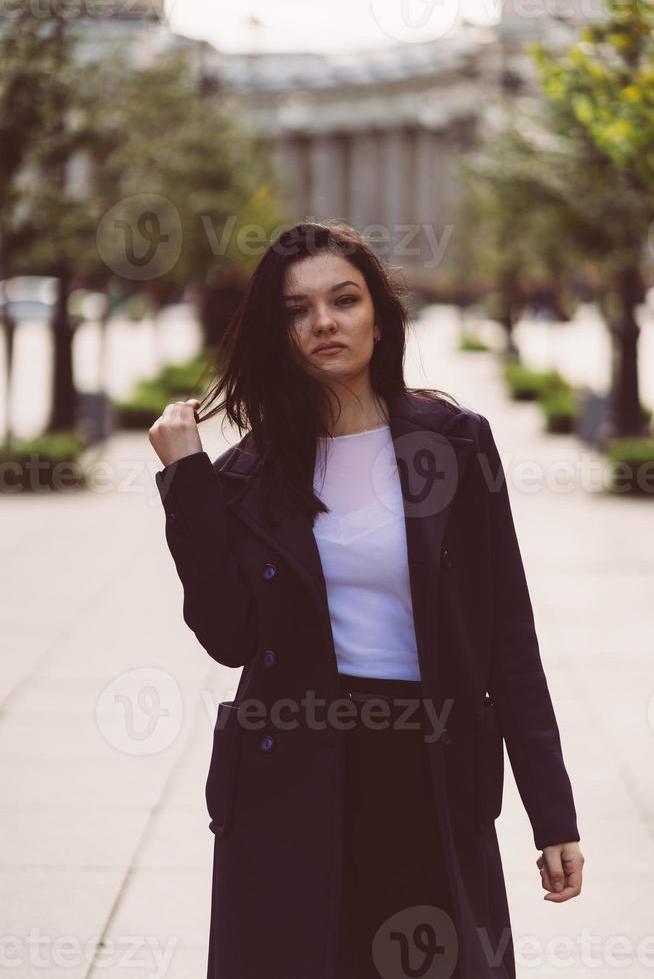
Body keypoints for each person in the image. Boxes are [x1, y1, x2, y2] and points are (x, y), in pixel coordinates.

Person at [149, 221, 584, 979]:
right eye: (297, 309)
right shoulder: (248, 475)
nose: (323, 323)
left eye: (343, 300)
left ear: (379, 316)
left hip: (433, 766)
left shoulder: (454, 443)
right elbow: (228, 636)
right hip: (293, 773)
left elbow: (508, 634)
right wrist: (188, 482)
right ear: (276, 332)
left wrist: (554, 815)